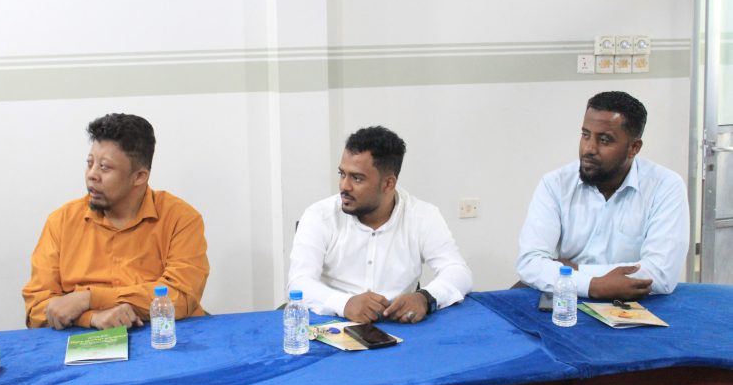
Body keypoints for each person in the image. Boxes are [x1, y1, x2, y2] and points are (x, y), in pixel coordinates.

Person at [22, 114, 210, 330]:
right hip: (83, 338)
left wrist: (89, 299)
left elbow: (181, 296)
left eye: (104, 167)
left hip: (163, 336)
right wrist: (92, 318)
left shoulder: (181, 219)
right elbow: (37, 307)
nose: (92, 175)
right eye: (90, 163)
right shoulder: (61, 222)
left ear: (139, 176)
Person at [287, 126, 473, 324]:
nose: (344, 186)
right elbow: (299, 283)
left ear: (388, 184)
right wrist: (345, 304)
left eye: (357, 178)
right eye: (342, 174)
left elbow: (458, 272)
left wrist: (425, 298)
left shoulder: (422, 216)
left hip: (400, 327)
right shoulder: (319, 216)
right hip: (332, 324)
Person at [516, 91, 689, 300]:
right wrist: (593, 286)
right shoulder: (555, 184)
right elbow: (530, 263)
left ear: (634, 147)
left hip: (634, 303)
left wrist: (574, 270)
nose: (589, 148)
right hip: (568, 302)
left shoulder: (665, 186)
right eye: (585, 135)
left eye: (604, 140)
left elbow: (661, 274)